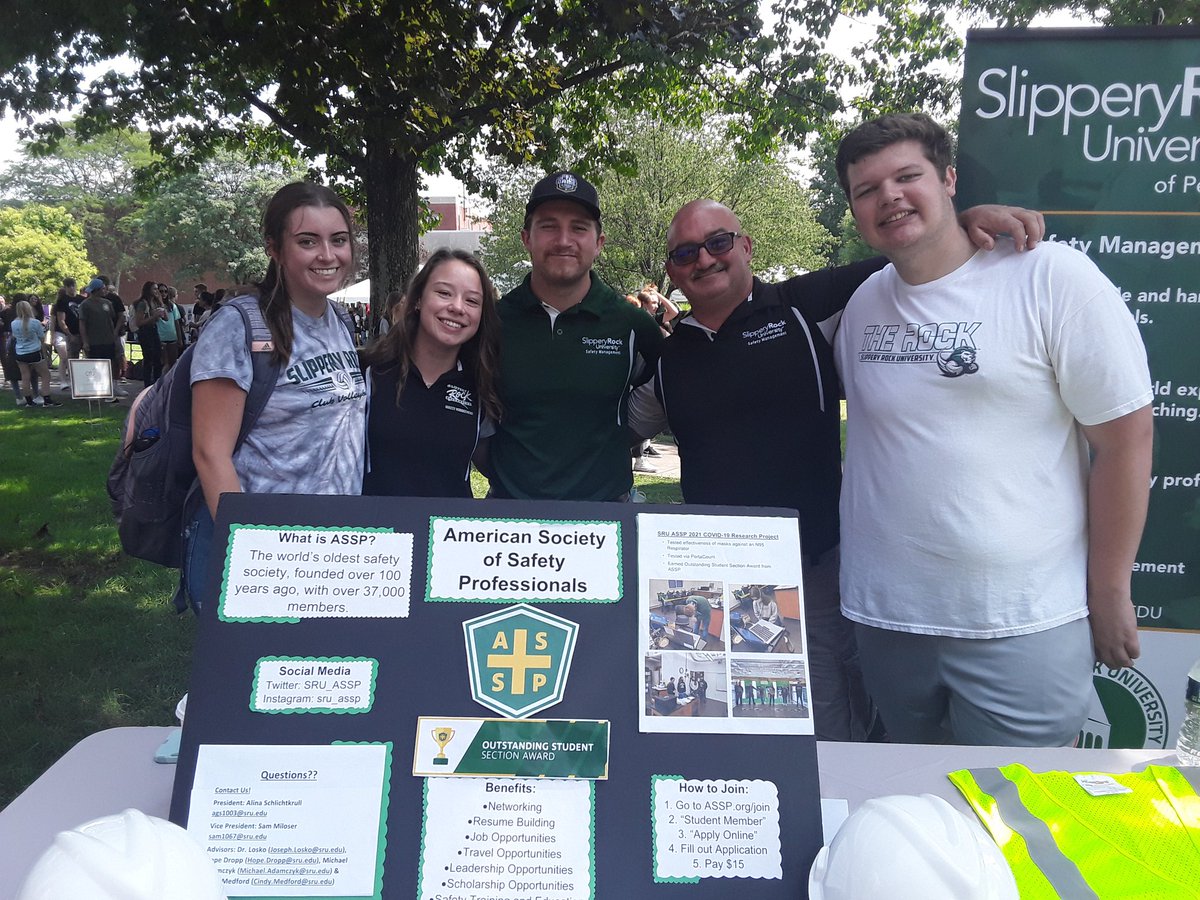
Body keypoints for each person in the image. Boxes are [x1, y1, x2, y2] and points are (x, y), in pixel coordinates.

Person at [628, 197, 1043, 741]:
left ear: (746, 246)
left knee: (826, 722)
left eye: (718, 242)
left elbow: (906, 252)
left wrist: (960, 222)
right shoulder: (670, 357)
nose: (704, 258)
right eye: (685, 252)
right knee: (722, 722)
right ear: (672, 271)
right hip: (714, 581)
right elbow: (614, 432)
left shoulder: (805, 306)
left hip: (816, 569)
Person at [832, 113, 1152, 746]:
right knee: (917, 819)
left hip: (1022, 624)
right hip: (887, 624)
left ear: (949, 179)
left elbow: (1124, 440)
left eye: (907, 177)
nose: (889, 197)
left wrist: (1111, 588)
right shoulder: (861, 303)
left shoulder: (1051, 278)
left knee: (1013, 829)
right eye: (867, 190)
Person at [178, 182, 367, 613]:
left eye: (338, 240)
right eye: (307, 241)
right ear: (274, 248)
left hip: (337, 548)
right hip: (266, 552)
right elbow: (211, 455)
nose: (327, 255)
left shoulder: (338, 319)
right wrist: (251, 554)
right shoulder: (238, 326)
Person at [488, 171, 663, 501]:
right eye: (549, 226)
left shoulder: (631, 323)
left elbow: (673, 389)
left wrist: (619, 439)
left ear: (599, 243)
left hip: (606, 519)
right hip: (510, 523)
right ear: (527, 238)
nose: (564, 240)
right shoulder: (494, 321)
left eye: (579, 228)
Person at [360, 249, 502, 498]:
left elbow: (499, 467)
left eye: (472, 301)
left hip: (447, 532)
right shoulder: (369, 372)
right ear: (417, 300)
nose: (457, 307)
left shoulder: (481, 385)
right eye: (444, 293)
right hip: (378, 531)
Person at [10, 300, 62, 407]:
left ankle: (29, 401)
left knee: (25, 377)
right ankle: (47, 399)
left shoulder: (13, 323)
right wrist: (45, 354)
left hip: (20, 352)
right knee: (45, 375)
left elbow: (15, 337)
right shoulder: (35, 322)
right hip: (34, 351)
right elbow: (41, 338)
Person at [78, 280, 120, 402]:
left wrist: (114, 336)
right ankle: (93, 392)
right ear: (96, 290)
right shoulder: (85, 305)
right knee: (95, 367)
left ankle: (108, 392)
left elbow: (112, 320)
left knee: (109, 366)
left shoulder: (107, 303)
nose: (105, 290)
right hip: (93, 341)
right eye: (102, 288)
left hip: (108, 340)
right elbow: (82, 323)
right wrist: (85, 341)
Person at [132, 282, 166, 388]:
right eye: (154, 289)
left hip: (154, 329)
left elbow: (166, 318)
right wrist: (154, 316)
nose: (157, 292)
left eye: (157, 289)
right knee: (149, 358)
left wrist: (162, 311)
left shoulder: (155, 302)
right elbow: (139, 322)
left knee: (158, 357)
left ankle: (157, 382)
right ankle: (147, 384)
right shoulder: (143, 303)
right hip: (145, 331)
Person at [53, 277, 81, 390]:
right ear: (65, 287)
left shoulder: (81, 299)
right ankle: (64, 381)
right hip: (65, 333)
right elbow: (60, 320)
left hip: (80, 332)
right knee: (66, 357)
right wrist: (69, 334)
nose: (71, 288)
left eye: (73, 285)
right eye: (68, 286)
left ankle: (78, 381)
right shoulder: (62, 301)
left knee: (77, 358)